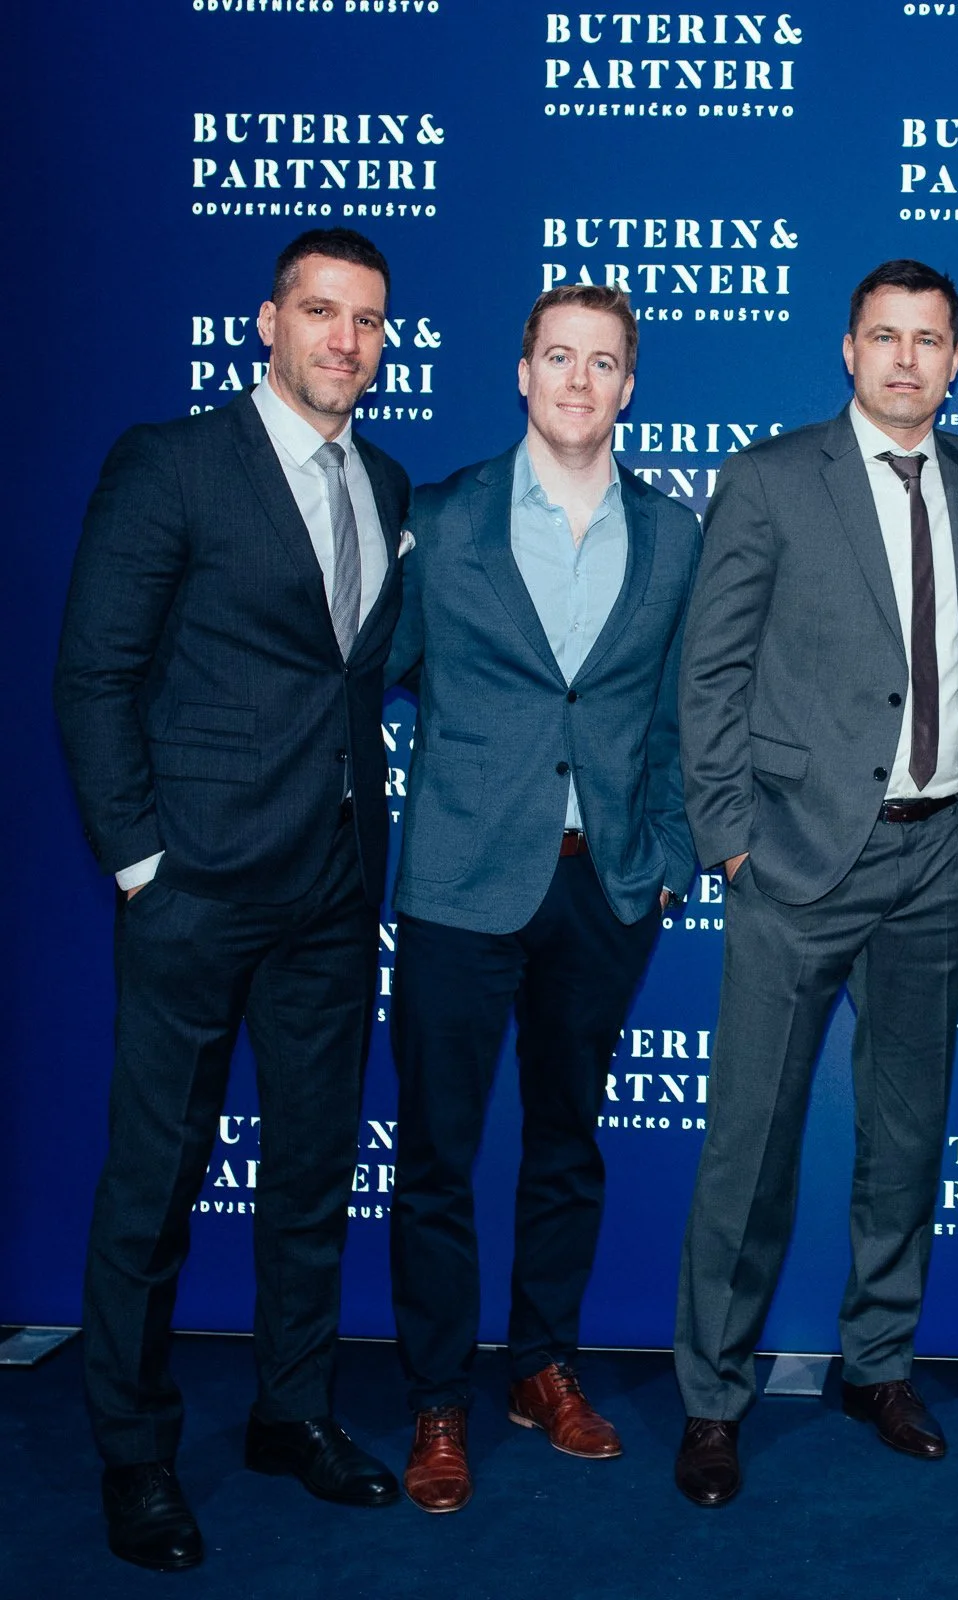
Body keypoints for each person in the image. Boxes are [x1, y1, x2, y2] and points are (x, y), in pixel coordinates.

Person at [53, 228, 409, 1570]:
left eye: (368, 321)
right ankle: (134, 1456)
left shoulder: (382, 478)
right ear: (268, 323)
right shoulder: (175, 463)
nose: (345, 341)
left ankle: (292, 1412)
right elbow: (93, 677)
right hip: (196, 887)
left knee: (313, 1169)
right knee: (155, 1181)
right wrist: (145, 863)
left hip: (332, 884)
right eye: (321, 313)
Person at [672, 259, 958, 1505]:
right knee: (750, 1139)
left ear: (955, 357)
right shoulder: (767, 479)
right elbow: (707, 672)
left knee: (905, 1132)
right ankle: (714, 1396)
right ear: (847, 349)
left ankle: (878, 1362)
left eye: (931, 339)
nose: (907, 360)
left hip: (939, 855)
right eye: (885, 336)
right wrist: (726, 836)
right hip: (797, 858)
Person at [384, 285, 701, 1513]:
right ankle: (433, 1400)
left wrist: (663, 853)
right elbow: (380, 673)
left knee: (567, 1144)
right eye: (557, 357)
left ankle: (542, 1365)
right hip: (463, 884)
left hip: (604, 887)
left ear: (629, 386)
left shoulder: (673, 536)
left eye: (603, 362)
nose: (578, 380)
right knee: (438, 1155)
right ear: (521, 373)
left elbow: (677, 717)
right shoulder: (441, 518)